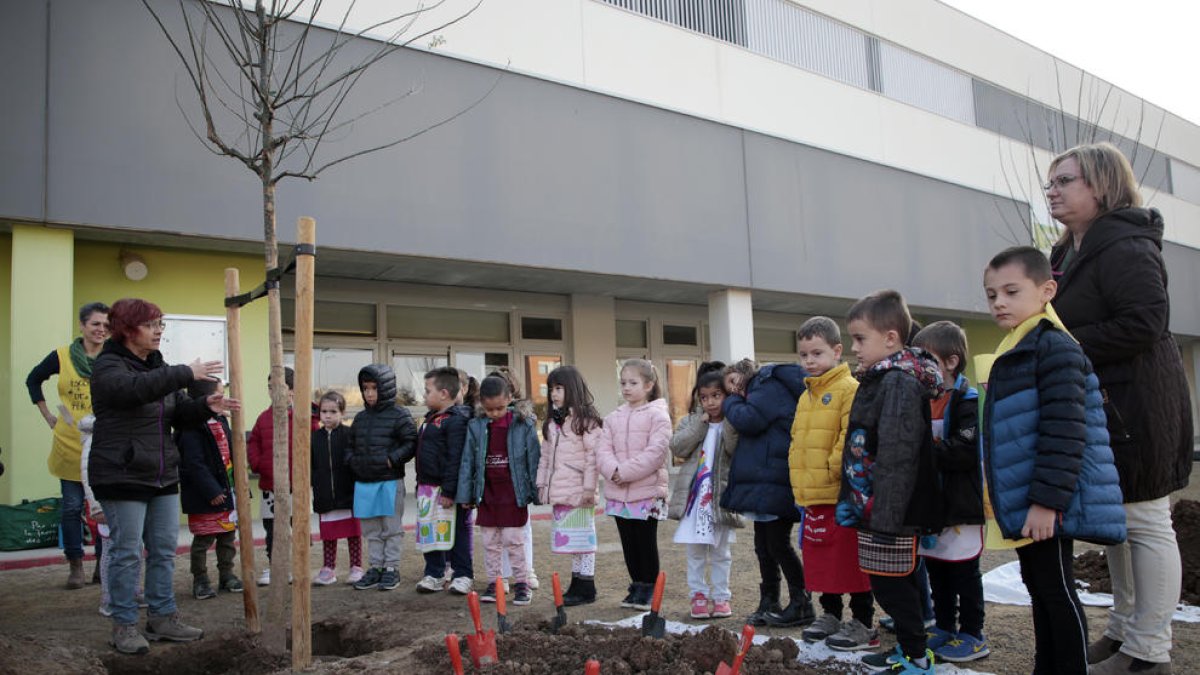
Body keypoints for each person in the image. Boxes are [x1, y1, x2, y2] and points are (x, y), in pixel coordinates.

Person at [1045, 143, 1193, 675]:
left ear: (1102, 185)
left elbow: (1145, 322)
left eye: (1065, 181)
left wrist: (1063, 344)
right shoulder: (1067, 253)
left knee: (1147, 521)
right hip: (1103, 404)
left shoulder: (1126, 246)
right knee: (1118, 520)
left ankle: (1150, 653)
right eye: (1051, 182)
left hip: (1139, 405)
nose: (1052, 191)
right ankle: (1124, 631)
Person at [980, 247, 1126, 675]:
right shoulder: (1020, 346)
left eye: (1010, 291)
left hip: (1046, 499)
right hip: (1029, 497)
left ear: (1046, 291)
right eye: (991, 295)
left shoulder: (1054, 348)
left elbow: (1065, 431)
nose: (999, 303)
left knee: (1056, 589)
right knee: (1039, 586)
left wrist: (1047, 502)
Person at [88, 298, 237, 655]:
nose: (158, 331)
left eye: (161, 324)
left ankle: (162, 617)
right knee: (126, 553)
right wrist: (185, 372)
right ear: (127, 329)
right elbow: (133, 391)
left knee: (164, 551)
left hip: (162, 474)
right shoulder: (109, 366)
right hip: (122, 475)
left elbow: (177, 412)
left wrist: (205, 407)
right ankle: (124, 625)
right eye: (151, 324)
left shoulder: (159, 367)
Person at [835, 289, 942, 673]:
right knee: (893, 580)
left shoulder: (897, 382)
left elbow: (898, 454)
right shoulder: (882, 378)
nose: (854, 347)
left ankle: (916, 657)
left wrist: (885, 515)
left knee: (891, 584)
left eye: (861, 338)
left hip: (889, 510)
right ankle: (911, 651)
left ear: (891, 338)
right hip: (876, 505)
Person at [786, 317, 875, 649]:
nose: (810, 361)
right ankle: (831, 614)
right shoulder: (806, 395)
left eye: (817, 353)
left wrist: (830, 469)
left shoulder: (849, 389)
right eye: (804, 354)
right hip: (813, 495)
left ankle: (863, 621)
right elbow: (798, 440)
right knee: (822, 561)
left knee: (850, 560)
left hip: (840, 493)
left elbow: (849, 438)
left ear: (838, 351)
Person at [912, 321, 987, 663]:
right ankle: (944, 626)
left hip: (960, 503)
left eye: (927, 360)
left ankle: (973, 633)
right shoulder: (924, 399)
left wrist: (923, 450)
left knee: (964, 571)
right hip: (934, 504)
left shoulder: (967, 400)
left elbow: (964, 450)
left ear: (951, 362)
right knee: (938, 568)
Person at [721, 357, 813, 628]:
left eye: (734, 383)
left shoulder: (766, 385)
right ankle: (769, 600)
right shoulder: (759, 389)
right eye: (728, 390)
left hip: (776, 477)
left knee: (778, 544)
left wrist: (730, 402)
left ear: (745, 373)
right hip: (767, 478)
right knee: (764, 546)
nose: (734, 392)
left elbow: (749, 419)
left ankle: (801, 602)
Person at [25, 301, 110, 589]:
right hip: (69, 443)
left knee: (102, 509)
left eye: (106, 325)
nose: (101, 330)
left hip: (103, 445)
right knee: (72, 508)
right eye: (96, 324)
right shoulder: (61, 356)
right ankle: (76, 565)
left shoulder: (113, 357)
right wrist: (47, 414)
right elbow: (33, 379)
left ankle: (103, 563)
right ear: (83, 325)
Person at [668, 361, 743, 620]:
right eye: (704, 397)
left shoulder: (733, 423)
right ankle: (697, 595)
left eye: (716, 396)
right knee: (695, 552)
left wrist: (732, 419)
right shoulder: (692, 421)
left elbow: (735, 450)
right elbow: (677, 447)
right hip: (694, 500)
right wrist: (699, 426)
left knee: (722, 553)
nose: (710, 402)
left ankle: (721, 597)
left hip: (721, 499)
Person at [458, 375, 542, 605]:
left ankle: (522, 583)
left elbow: (533, 459)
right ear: (481, 404)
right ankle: (495, 582)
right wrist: (466, 494)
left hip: (513, 493)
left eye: (500, 408)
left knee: (515, 540)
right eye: (489, 409)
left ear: (510, 399)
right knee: (489, 541)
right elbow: (467, 461)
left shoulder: (522, 424)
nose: (494, 413)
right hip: (487, 493)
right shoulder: (476, 426)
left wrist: (536, 491)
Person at [597, 359, 672, 610]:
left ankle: (650, 587)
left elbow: (656, 453)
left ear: (649, 385)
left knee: (645, 541)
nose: (626, 388)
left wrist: (625, 471)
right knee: (628, 541)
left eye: (633, 382)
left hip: (647, 491)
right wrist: (612, 470)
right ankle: (637, 585)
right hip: (619, 492)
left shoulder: (658, 415)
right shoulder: (612, 418)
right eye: (623, 383)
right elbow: (602, 450)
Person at [346, 364, 417, 592]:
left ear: (385, 388)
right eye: (365, 388)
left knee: (391, 528)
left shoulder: (400, 415)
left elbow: (411, 442)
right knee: (371, 530)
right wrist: (353, 462)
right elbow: (349, 446)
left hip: (389, 481)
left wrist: (391, 460)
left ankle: (391, 569)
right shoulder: (360, 418)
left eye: (374, 388)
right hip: (364, 483)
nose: (369, 393)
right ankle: (375, 567)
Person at [246, 366, 319, 586]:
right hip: (271, 486)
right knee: (273, 530)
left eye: (279, 387)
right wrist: (258, 464)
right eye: (270, 388)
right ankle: (276, 567)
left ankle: (300, 565)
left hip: (297, 486)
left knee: (299, 527)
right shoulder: (263, 418)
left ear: (293, 391)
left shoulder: (303, 417)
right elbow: (253, 444)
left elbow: (315, 444)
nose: (273, 392)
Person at [537, 365, 604, 606]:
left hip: (579, 491)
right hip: (561, 491)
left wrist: (589, 489)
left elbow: (593, 458)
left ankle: (587, 585)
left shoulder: (586, 422)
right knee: (573, 541)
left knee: (584, 540)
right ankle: (577, 582)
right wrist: (542, 485)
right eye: (550, 389)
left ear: (572, 389)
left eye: (558, 388)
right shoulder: (553, 423)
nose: (553, 394)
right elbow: (545, 458)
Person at [177, 378, 243, 600]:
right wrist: (211, 491)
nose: (224, 399)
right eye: (220, 394)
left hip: (227, 490)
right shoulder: (191, 427)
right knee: (204, 539)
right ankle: (201, 579)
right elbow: (194, 463)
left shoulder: (221, 421)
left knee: (227, 535)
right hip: (205, 495)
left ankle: (227, 574)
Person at [413, 367, 473, 595]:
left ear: (444, 393)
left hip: (446, 491)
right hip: (426, 488)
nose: (424, 395)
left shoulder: (456, 421)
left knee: (455, 533)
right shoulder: (429, 419)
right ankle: (434, 573)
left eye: (428, 391)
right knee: (429, 532)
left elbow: (455, 458)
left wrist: (449, 491)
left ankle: (463, 574)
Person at [80, 413, 144, 618]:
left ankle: (132, 591)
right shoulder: (96, 438)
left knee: (134, 548)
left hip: (127, 499)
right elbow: (87, 472)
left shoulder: (119, 431)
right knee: (113, 550)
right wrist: (96, 506)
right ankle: (109, 599)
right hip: (107, 503)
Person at [489, 366, 539, 590]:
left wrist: (533, 485)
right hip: (493, 486)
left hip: (516, 485)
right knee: (496, 534)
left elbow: (532, 455)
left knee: (521, 531)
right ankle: (503, 576)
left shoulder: (522, 420)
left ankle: (526, 571)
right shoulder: (484, 420)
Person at [311, 391, 363, 586]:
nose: (328, 415)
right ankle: (328, 568)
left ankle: (356, 567)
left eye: (333, 411)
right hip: (325, 494)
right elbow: (311, 465)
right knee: (328, 534)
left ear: (342, 412)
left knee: (353, 533)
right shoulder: (314, 438)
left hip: (348, 493)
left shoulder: (350, 435)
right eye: (324, 411)